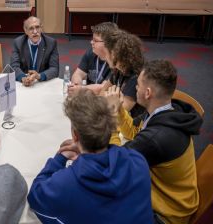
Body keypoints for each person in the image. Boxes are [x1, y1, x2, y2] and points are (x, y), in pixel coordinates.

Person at [27, 89, 153, 223]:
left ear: (75, 135)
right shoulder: (138, 161)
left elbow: (35, 197)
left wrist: (60, 157)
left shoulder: (65, 184)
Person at [106, 60, 203, 224]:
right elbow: (132, 132)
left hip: (167, 214)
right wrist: (120, 109)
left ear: (148, 92)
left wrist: (111, 116)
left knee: (103, 197)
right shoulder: (168, 111)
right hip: (175, 196)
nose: (135, 88)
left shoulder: (156, 137)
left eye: (137, 85)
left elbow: (114, 162)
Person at [102, 29, 145, 117]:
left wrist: (108, 101)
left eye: (106, 53)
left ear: (114, 55)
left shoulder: (136, 78)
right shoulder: (118, 70)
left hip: (132, 126)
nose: (105, 57)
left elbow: (121, 112)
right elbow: (102, 92)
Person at [68, 22, 118, 95]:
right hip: (88, 96)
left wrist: (81, 89)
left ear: (108, 43)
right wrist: (76, 85)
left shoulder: (116, 61)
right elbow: (78, 73)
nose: (91, 42)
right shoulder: (91, 53)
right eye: (92, 39)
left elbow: (103, 87)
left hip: (104, 99)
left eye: (95, 40)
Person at [11, 16, 59, 87]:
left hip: (42, 83)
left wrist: (39, 76)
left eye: (37, 27)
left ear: (41, 28)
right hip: (24, 83)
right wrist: (22, 78)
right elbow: (14, 66)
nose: (35, 32)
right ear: (26, 31)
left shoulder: (51, 43)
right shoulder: (18, 43)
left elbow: (54, 69)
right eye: (31, 28)